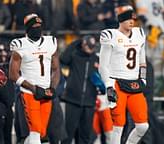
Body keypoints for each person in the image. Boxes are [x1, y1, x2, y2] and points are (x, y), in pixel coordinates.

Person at [99, 4, 149, 144]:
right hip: (117, 83)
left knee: (143, 126)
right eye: (128, 19)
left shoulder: (139, 34)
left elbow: (142, 61)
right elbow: (103, 65)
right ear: (121, 20)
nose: (131, 21)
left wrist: (143, 78)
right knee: (118, 127)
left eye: (133, 18)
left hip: (134, 83)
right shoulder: (110, 35)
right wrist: (109, 86)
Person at [9, 13, 60, 144]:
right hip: (29, 93)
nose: (38, 28)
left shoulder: (51, 42)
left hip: (46, 92)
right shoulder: (20, 44)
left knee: (42, 133)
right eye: (34, 26)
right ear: (28, 28)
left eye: (39, 25)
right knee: (35, 131)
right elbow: (13, 75)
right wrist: (33, 88)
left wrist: (52, 88)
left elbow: (56, 69)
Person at [60, 35, 99, 144]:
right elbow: (63, 59)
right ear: (83, 45)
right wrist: (76, 42)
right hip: (73, 100)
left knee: (85, 136)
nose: (91, 49)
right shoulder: (75, 56)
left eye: (92, 46)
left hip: (89, 102)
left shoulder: (96, 59)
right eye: (88, 46)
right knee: (68, 134)